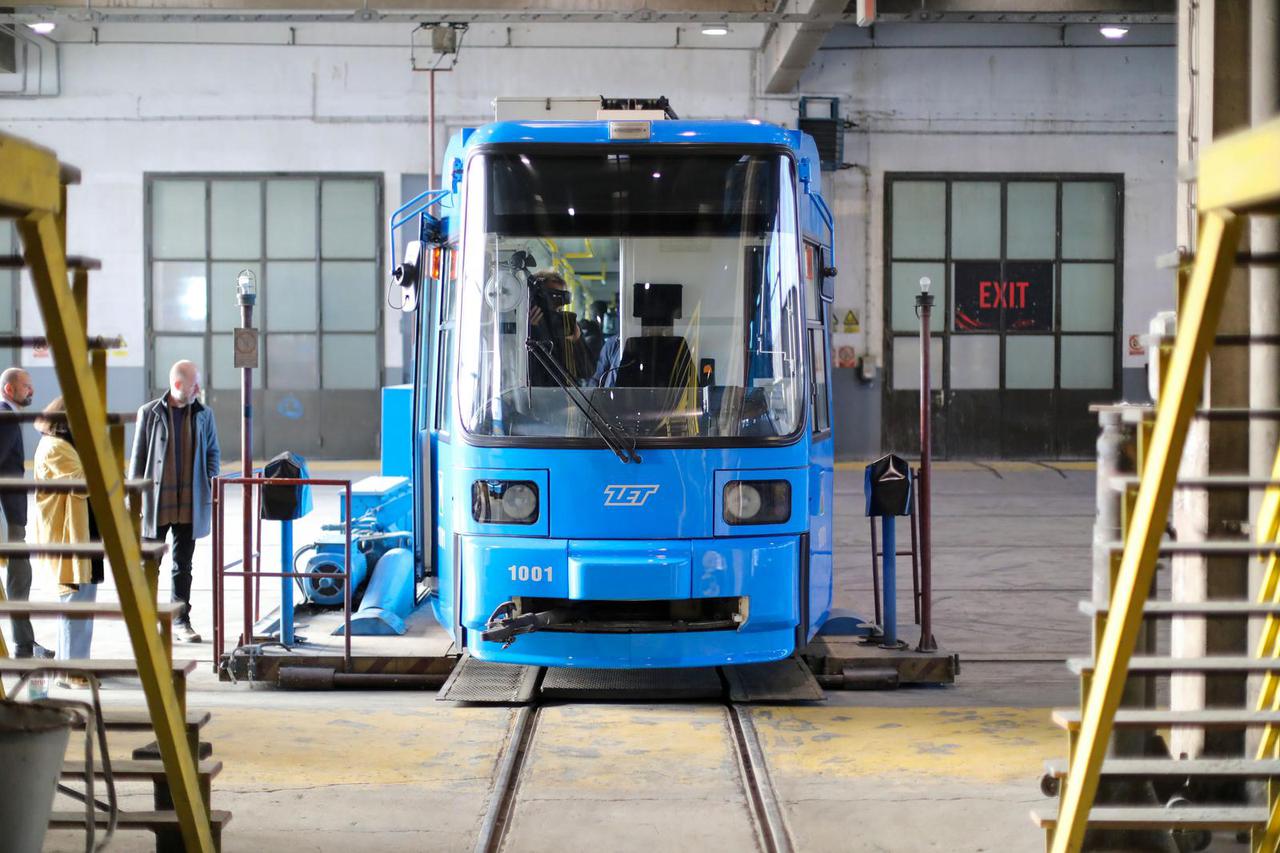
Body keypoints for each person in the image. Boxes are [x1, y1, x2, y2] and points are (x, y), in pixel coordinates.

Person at [128, 360, 220, 644]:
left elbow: (213, 452)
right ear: (178, 385)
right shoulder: (150, 413)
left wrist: (209, 480)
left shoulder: (204, 414)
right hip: (157, 501)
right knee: (150, 564)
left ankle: (181, 621)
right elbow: (138, 457)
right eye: (194, 384)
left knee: (183, 565)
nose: (199, 389)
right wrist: (133, 499)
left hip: (190, 503)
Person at [33, 397, 100, 686]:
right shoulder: (56, 447)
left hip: (82, 535)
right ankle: (72, 673)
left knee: (79, 604)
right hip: (69, 539)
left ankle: (69, 667)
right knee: (75, 606)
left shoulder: (64, 444)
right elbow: (84, 480)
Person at [0, 367, 52, 659]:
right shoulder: (6, 417)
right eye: (26, 386)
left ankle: (24, 642)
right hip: (8, 516)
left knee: (20, 576)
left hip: (10, 514)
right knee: (20, 578)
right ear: (10, 390)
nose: (31, 390)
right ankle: (23, 644)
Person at [527, 271, 594, 386]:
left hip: (564, 398)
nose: (558, 305)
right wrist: (531, 330)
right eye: (552, 298)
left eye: (561, 299)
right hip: (535, 397)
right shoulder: (524, 328)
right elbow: (526, 372)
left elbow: (586, 371)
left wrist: (577, 342)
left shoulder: (566, 325)